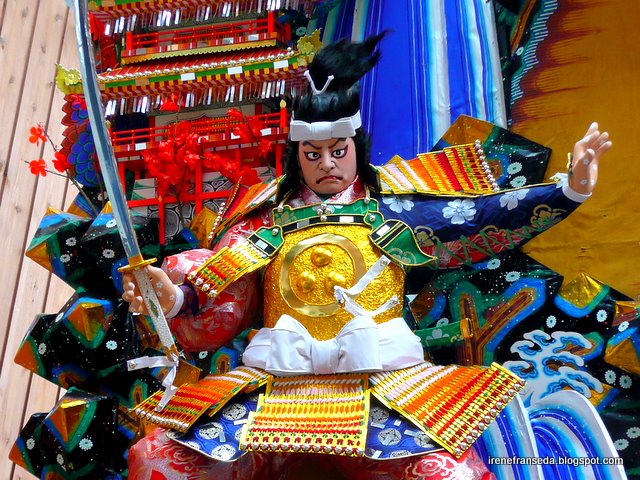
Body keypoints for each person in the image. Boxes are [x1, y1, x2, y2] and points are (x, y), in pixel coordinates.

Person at [122, 35, 611, 480]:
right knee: (157, 460)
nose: (327, 164)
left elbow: (479, 217)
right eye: (313, 154)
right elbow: (221, 286)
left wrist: (569, 189)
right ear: (296, 155)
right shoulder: (266, 217)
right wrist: (176, 297)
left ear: (356, 145)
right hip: (273, 386)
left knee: (447, 475)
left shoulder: (393, 206)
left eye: (338, 151)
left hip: (385, 386)